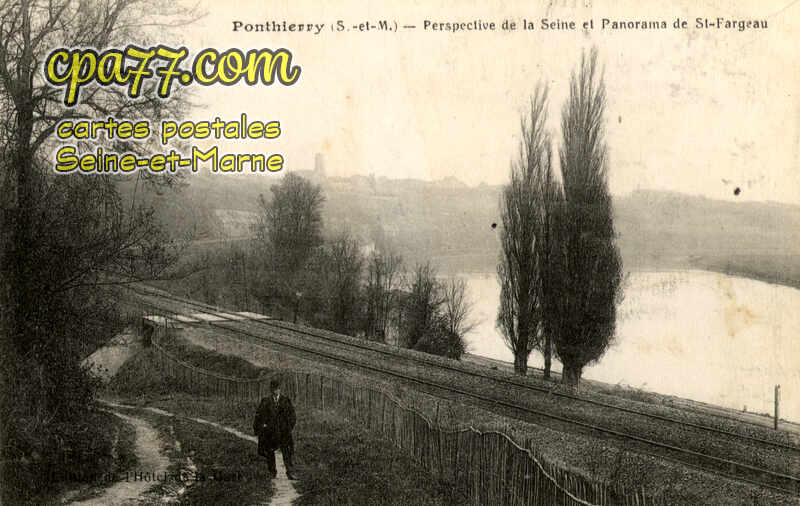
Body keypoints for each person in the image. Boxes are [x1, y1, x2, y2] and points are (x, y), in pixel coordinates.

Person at [253, 377, 297, 480]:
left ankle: (290, 472)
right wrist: (261, 427)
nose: (275, 391)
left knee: (287, 451)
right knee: (270, 451)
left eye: (277, 388)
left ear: (280, 389)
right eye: (273, 388)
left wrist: (288, 427)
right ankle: (272, 472)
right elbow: (258, 415)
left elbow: (292, 416)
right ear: (270, 389)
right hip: (271, 432)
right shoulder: (265, 401)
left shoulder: (286, 401)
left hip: (284, 432)